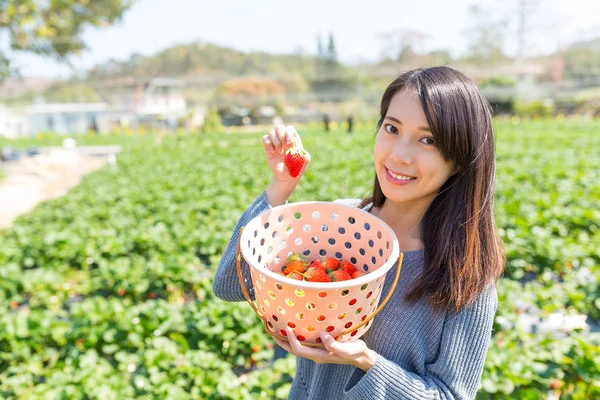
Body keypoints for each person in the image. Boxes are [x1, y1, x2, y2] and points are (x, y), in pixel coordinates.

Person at [213, 66, 505, 399]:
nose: (398, 154)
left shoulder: (465, 276)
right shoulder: (339, 224)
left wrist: (365, 361)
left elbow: (452, 395)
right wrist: (279, 190)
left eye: (428, 139)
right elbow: (231, 285)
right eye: (391, 128)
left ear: (459, 157)